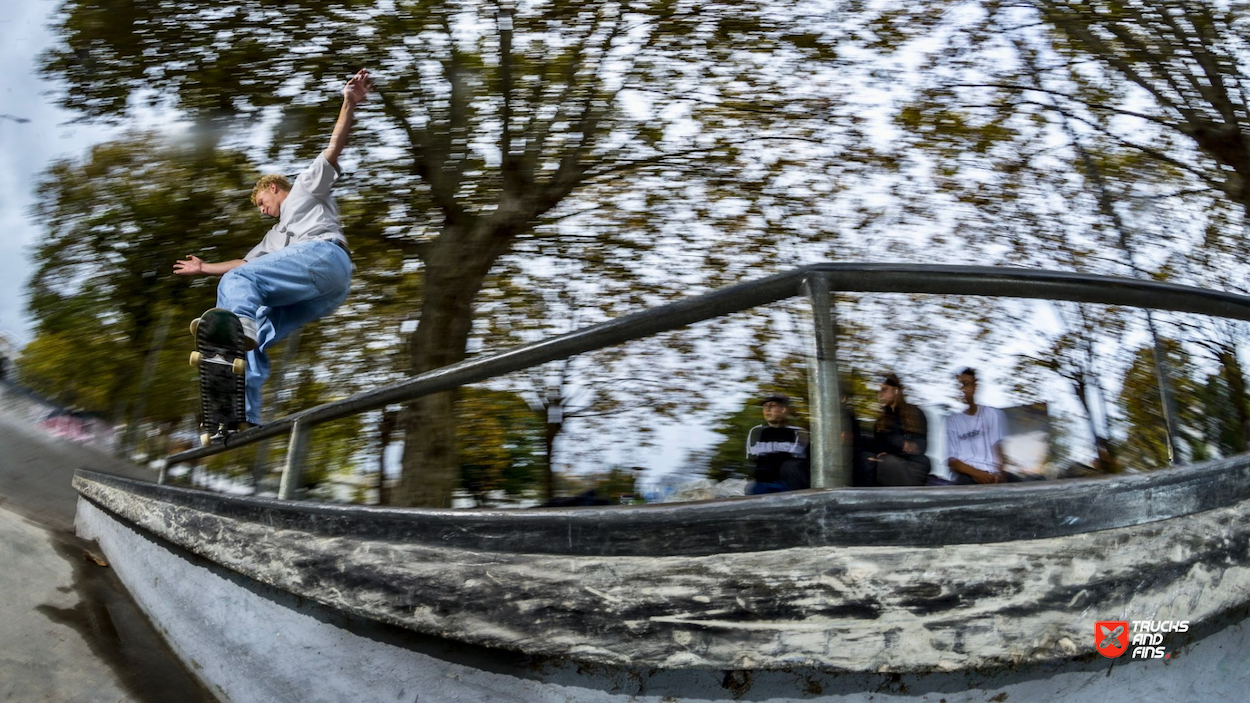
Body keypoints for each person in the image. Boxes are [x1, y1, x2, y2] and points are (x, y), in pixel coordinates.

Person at [174, 69, 372, 426]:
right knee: (259, 331)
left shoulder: (304, 188)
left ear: (274, 188)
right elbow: (243, 263)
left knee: (236, 290)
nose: (262, 210)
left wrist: (349, 102)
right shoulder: (275, 238)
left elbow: (334, 147)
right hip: (326, 292)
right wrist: (203, 268)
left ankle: (237, 330)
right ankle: (240, 412)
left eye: (262, 202)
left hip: (326, 257)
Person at [944, 368, 1008, 484]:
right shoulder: (952, 421)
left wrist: (997, 474)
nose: (962, 390)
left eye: (966, 384)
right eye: (959, 386)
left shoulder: (992, 414)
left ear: (975, 386)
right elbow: (953, 462)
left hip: (993, 476)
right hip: (966, 476)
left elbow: (999, 453)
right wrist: (978, 474)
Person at [865, 374, 931, 486]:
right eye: (879, 391)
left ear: (896, 391)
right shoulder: (881, 422)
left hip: (914, 465)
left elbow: (920, 446)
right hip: (889, 466)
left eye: (884, 390)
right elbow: (880, 445)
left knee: (887, 462)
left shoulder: (915, 413)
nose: (880, 394)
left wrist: (898, 445)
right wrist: (901, 444)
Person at [745, 393, 811, 494]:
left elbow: (795, 463)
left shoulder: (798, 432)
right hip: (762, 483)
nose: (767, 410)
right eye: (765, 407)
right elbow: (754, 458)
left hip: (789, 485)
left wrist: (770, 459)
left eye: (771, 406)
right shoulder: (757, 431)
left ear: (783, 409)